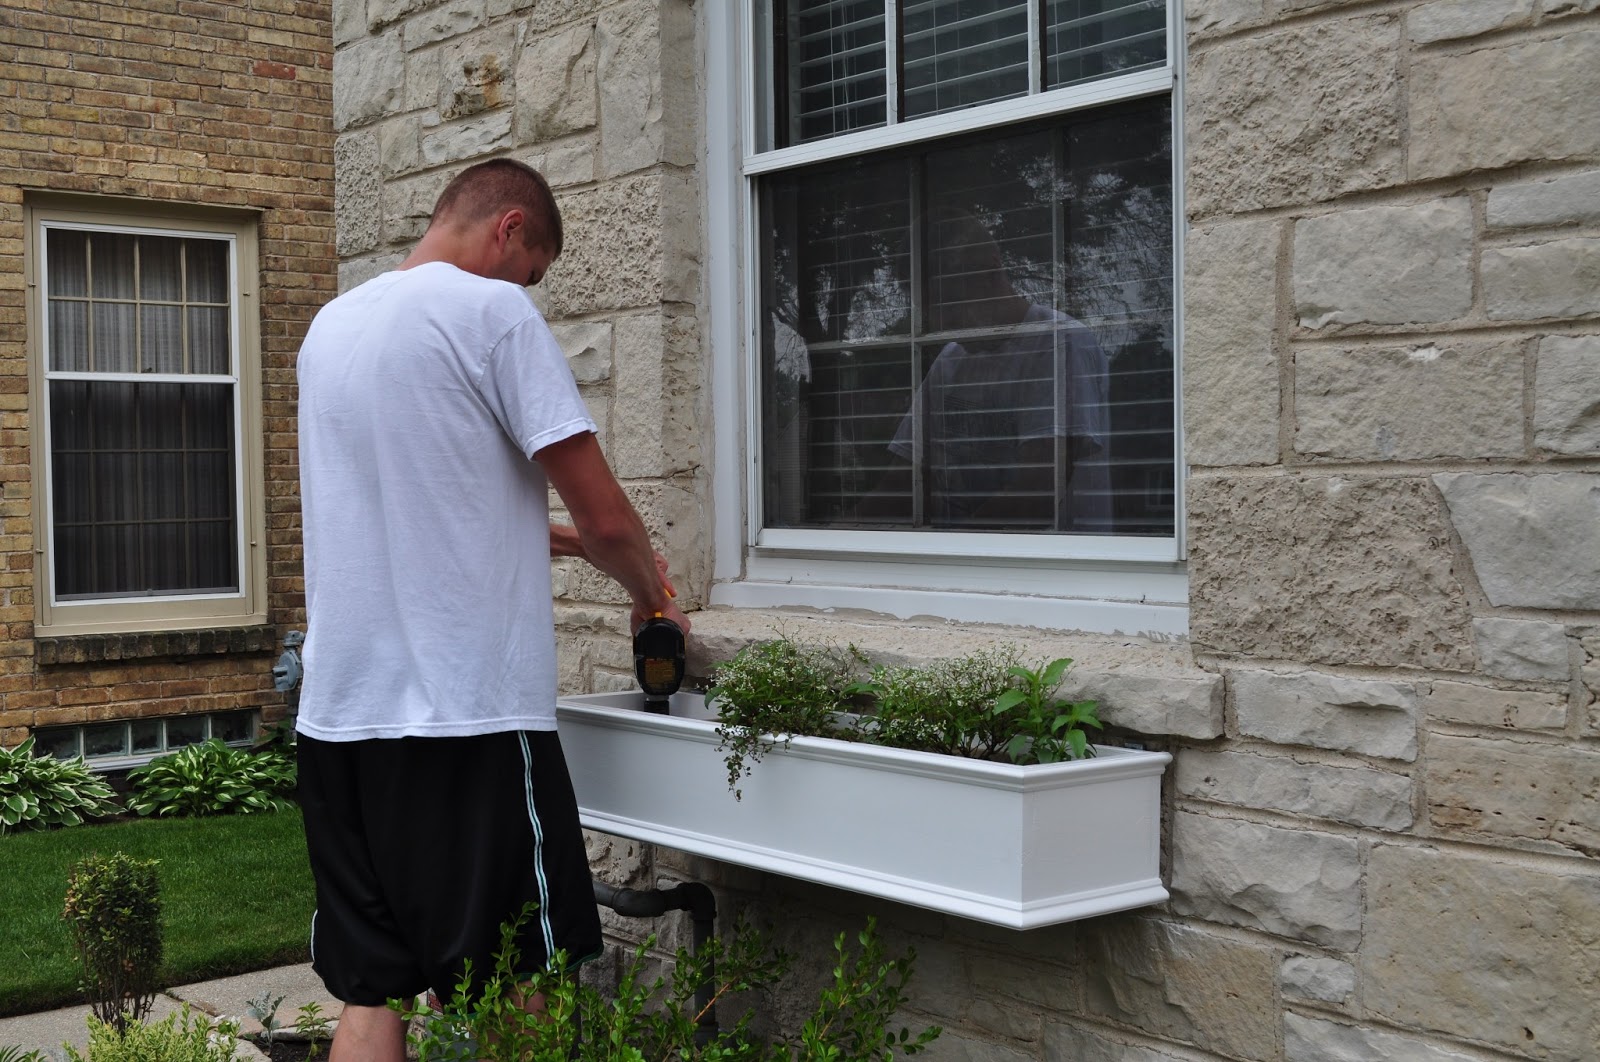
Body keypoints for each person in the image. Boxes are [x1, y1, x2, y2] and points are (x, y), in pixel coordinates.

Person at [293, 157, 691, 1062]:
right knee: (514, 986)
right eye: (534, 271)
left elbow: (422, 504)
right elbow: (601, 510)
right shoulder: (492, 313)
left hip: (339, 723)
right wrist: (650, 597)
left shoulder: (333, 327)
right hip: (462, 723)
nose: (530, 292)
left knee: (374, 992)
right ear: (510, 228)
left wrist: (564, 544)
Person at [887, 208, 1111, 532]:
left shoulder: (1057, 344)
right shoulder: (951, 360)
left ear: (992, 271)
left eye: (950, 307)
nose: (939, 326)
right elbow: (898, 479)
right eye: (930, 311)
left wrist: (946, 551)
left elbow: (1036, 495)